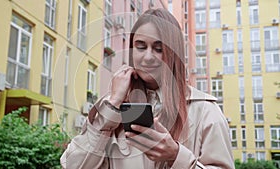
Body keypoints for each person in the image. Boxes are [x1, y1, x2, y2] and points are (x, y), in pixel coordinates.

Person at [60, 8, 234, 169]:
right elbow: (72, 165)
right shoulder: (113, 107)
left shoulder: (205, 111)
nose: (148, 57)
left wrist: (176, 156)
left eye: (158, 49)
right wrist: (112, 104)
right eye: (141, 47)